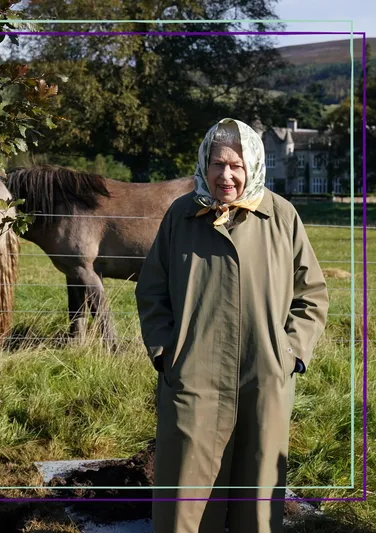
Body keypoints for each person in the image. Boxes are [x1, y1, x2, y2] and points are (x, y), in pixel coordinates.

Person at [134, 117, 329, 533]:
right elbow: (151, 292)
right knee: (186, 497)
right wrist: (167, 351)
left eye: (237, 165)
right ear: (205, 164)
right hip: (193, 376)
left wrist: (290, 353)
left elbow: (311, 294)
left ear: (253, 165)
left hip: (264, 375)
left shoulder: (281, 216)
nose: (227, 175)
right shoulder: (181, 216)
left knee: (256, 496)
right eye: (218, 164)